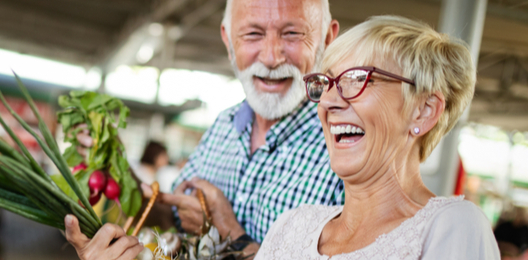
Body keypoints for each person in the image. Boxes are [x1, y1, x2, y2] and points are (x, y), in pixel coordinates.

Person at [64, 0, 343, 258]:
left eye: (292, 33)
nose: (271, 57)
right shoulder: (224, 124)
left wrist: (225, 229)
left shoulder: (345, 146)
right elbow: (169, 216)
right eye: (253, 34)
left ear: (327, 39)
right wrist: (119, 173)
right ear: (227, 39)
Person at [254, 15, 499, 259]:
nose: (327, 101)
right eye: (327, 82)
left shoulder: (451, 226)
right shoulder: (292, 225)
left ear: (423, 111)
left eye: (358, 79)